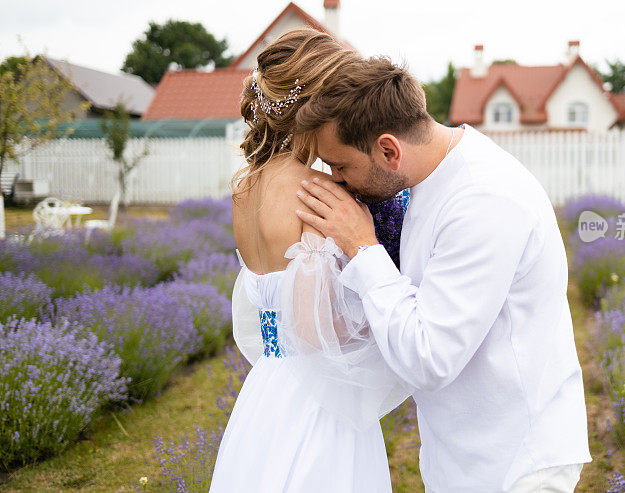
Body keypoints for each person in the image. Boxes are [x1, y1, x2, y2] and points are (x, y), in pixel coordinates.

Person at [294, 56, 592, 492]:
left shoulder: (483, 199)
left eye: (339, 165)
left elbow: (430, 357)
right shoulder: (433, 176)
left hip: (515, 463)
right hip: (465, 454)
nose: (337, 181)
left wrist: (362, 247)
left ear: (389, 150)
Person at [209, 29, 409, 492]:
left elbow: (267, 316)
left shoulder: (246, 188)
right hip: (319, 402)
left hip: (266, 389)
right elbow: (315, 326)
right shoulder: (319, 192)